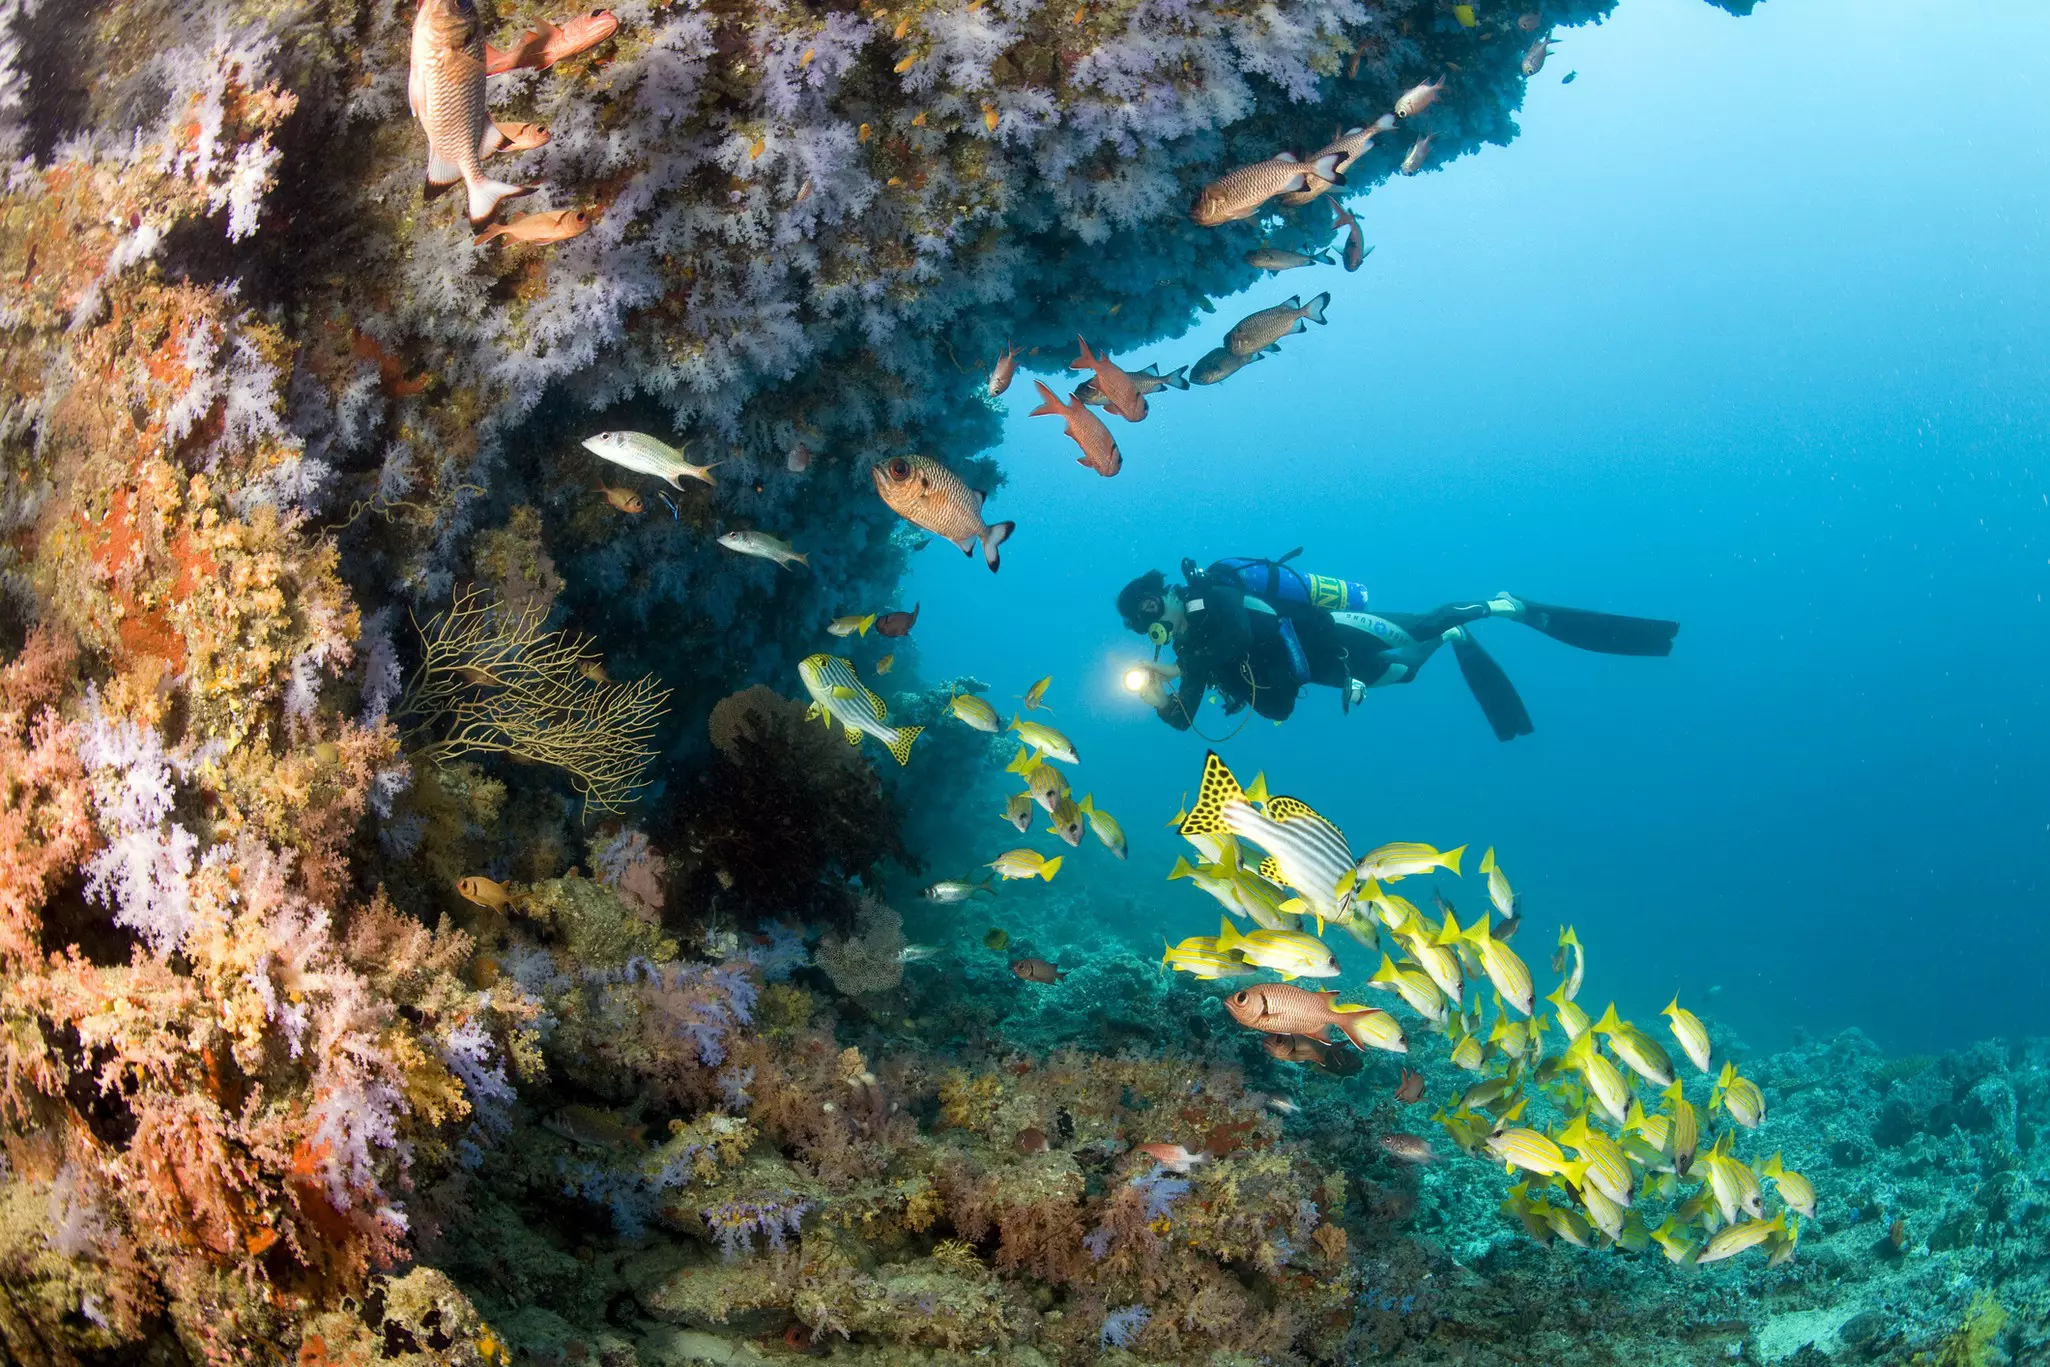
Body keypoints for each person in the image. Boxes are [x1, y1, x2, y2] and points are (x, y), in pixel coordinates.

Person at [1115, 551, 1678, 741]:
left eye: (1152, 610)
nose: (1156, 627)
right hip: (1328, 673)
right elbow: (1185, 720)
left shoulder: (1213, 595)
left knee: (1424, 624)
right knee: (1407, 673)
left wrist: (1182, 665)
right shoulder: (1190, 656)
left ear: (1164, 594)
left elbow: (1239, 635)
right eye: (1145, 629)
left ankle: (1503, 605)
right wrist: (1158, 698)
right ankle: (1459, 635)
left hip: (1335, 633)